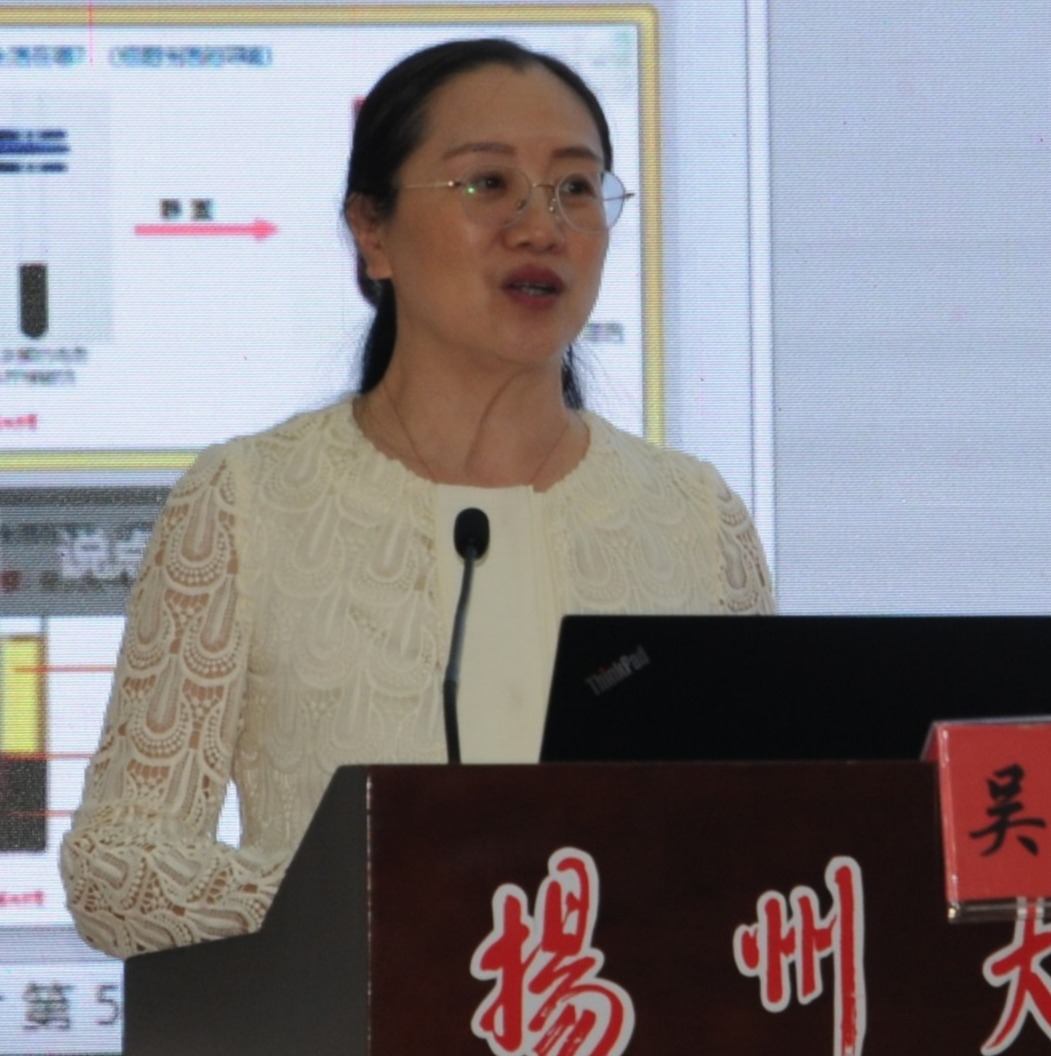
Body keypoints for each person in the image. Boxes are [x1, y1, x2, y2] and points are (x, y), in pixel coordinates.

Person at [60, 39, 775, 962]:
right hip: (348, 1044)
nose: (541, 226)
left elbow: (776, 836)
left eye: (575, 187)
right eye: (487, 184)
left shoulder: (694, 517)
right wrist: (385, 897)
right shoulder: (249, 501)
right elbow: (117, 866)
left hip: (633, 1046)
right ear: (372, 231)